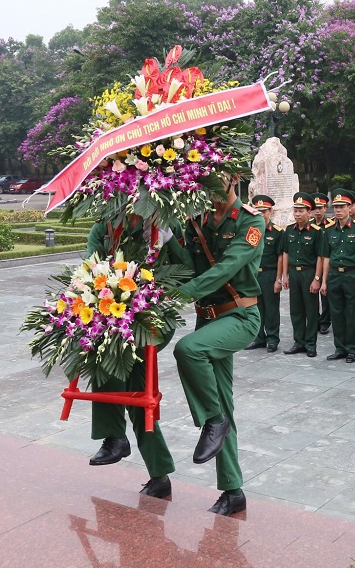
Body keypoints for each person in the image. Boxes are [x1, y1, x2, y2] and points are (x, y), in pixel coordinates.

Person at [173, 174, 264, 515]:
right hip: (208, 318)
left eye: (217, 180)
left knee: (188, 349)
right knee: (224, 405)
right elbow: (185, 264)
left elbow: (227, 268)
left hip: (240, 317)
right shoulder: (197, 222)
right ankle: (233, 490)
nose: (210, 188)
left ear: (234, 179)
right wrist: (166, 235)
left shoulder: (251, 221)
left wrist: (184, 294)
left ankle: (212, 420)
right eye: (204, 180)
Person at [82, 215, 176, 500]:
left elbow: (180, 268)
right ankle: (158, 475)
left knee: (111, 350)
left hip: (153, 317)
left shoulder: (162, 225)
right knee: (136, 393)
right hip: (115, 313)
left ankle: (114, 437)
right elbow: (88, 269)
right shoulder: (104, 227)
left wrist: (168, 238)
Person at [320, 189, 355, 363]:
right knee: (337, 313)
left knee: (352, 314)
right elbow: (326, 257)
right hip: (334, 275)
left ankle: (352, 349)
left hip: (352, 275)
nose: (338, 210)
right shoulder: (329, 229)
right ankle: (339, 347)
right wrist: (324, 281)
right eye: (336, 207)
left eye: (342, 206)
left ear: (350, 207)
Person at [281, 192, 323, 357]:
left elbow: (320, 256)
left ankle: (311, 344)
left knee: (311, 310)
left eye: (301, 211)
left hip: (309, 272)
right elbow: (286, 253)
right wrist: (285, 275)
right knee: (296, 310)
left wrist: (317, 279)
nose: (297, 214)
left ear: (309, 212)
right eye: (295, 210)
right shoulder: (289, 230)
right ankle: (298, 342)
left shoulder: (316, 231)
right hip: (294, 272)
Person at [245, 195, 284, 352]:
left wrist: (278, 279)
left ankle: (273, 338)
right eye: (258, 210)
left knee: (271, 309)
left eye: (264, 211)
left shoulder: (277, 232)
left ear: (270, 211)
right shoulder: (252, 231)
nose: (261, 214)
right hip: (255, 274)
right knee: (256, 307)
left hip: (270, 274)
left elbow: (281, 256)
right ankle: (258, 338)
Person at [312, 193, 332, 335]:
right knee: (311, 295)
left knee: (325, 295)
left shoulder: (330, 225)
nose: (318, 211)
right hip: (311, 263)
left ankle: (325, 322)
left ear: (325, 208)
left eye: (320, 208)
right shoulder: (309, 224)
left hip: (326, 264)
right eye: (316, 208)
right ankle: (315, 320)